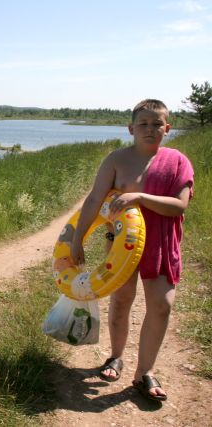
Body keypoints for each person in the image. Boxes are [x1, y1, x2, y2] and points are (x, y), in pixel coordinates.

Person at [71, 99, 194, 402]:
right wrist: (77, 240)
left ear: (168, 127)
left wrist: (138, 196)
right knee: (122, 300)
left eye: (157, 124)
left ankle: (145, 372)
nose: (150, 129)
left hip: (162, 243)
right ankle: (115, 356)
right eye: (144, 124)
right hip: (121, 245)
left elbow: (179, 205)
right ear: (131, 128)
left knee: (162, 305)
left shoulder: (178, 161)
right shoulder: (116, 160)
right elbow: (93, 201)